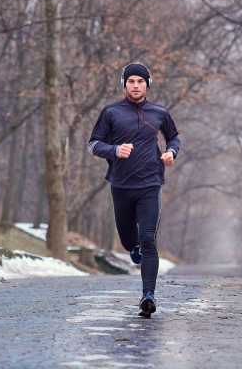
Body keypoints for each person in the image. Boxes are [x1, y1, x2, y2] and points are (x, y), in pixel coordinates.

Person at [88, 63, 180, 318]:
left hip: (150, 184)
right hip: (121, 185)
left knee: (148, 239)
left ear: (147, 84)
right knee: (130, 241)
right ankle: (133, 245)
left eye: (140, 81)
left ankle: (147, 295)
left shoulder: (159, 113)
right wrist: (115, 150)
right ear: (124, 85)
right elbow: (93, 145)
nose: (136, 85)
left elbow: (173, 137)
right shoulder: (111, 113)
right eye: (131, 81)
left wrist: (171, 153)